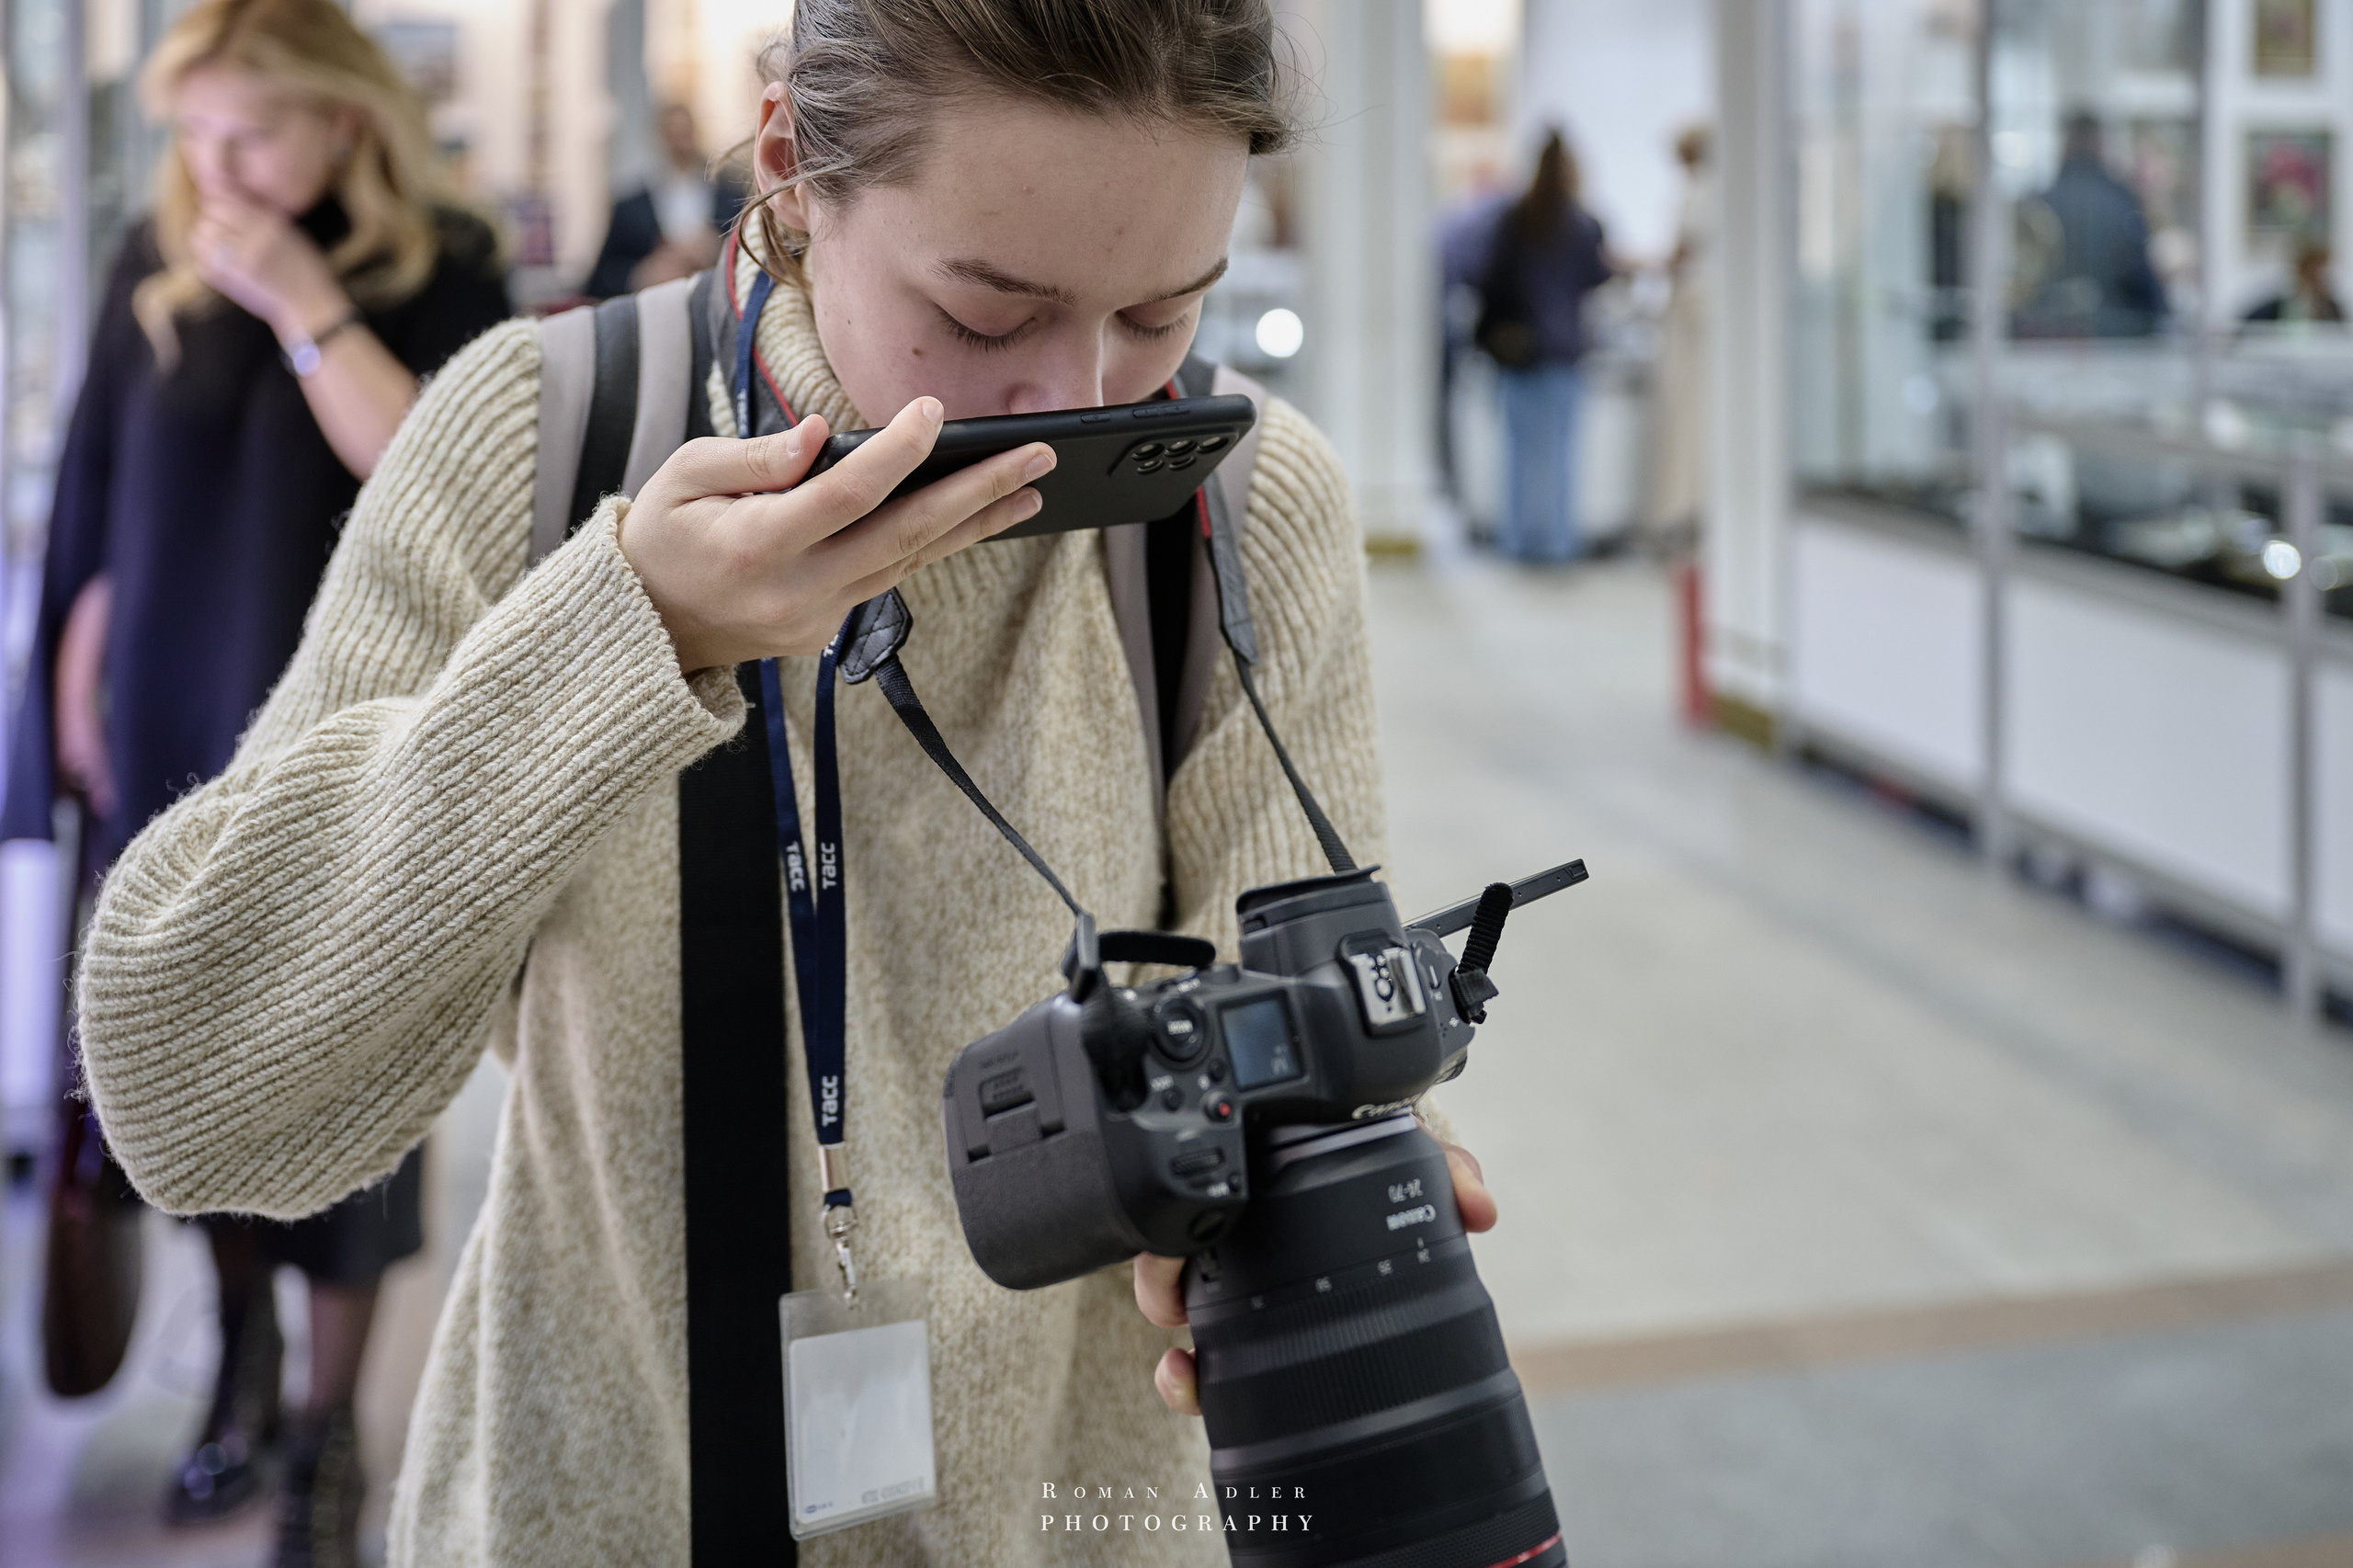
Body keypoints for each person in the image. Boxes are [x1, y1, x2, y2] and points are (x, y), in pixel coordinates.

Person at [70, 2, 1498, 1565]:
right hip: (596, 1502)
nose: (1074, 397)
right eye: (988, 308)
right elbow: (191, 1091)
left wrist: (1309, 1186)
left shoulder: (1238, 509)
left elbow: (1294, 1064)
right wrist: (627, 637)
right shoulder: (543, 436)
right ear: (793, 177)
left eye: (1161, 315)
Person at [0, 0, 509, 1562]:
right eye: (193, 131)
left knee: (352, 1098)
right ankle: (242, 1374)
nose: (210, 165)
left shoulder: (445, 271)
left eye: (249, 130)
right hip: (159, 730)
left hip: (347, 750)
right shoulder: (151, 268)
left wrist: (300, 302)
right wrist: (62, 694)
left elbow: (452, 480)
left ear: (345, 123)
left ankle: (330, 1438)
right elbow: (92, 491)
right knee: (195, 1086)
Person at [1480, 129, 1612, 564]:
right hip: (1563, 351)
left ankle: (1517, 540)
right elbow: (1597, 279)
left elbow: (1492, 278)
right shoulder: (1583, 223)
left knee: (1518, 451)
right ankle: (1557, 544)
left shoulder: (1515, 217)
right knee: (1560, 453)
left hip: (1520, 351)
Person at [2013, 110, 2166, 338]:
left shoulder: (2041, 203)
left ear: (2066, 142)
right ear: (2100, 143)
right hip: (2115, 338)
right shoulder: (2121, 201)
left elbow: (2026, 283)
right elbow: (2140, 279)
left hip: (2051, 339)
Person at [585, 101, 749, 298]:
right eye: (673, 134)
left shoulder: (730, 198)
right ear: (659, 138)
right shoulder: (630, 208)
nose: (680, 142)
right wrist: (641, 274)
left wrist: (718, 251)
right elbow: (598, 280)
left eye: (685, 133)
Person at [1646, 124, 1711, 545]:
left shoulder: (1697, 194)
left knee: (1686, 419)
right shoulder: (1721, 190)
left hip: (1691, 322)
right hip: (1701, 318)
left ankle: (1683, 510)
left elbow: (1678, 256)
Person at [2243, 237, 2347, 326]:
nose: (2320, 279)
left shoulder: (2332, 309)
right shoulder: (2276, 308)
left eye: (2322, 273)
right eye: (2314, 274)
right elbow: (2249, 327)